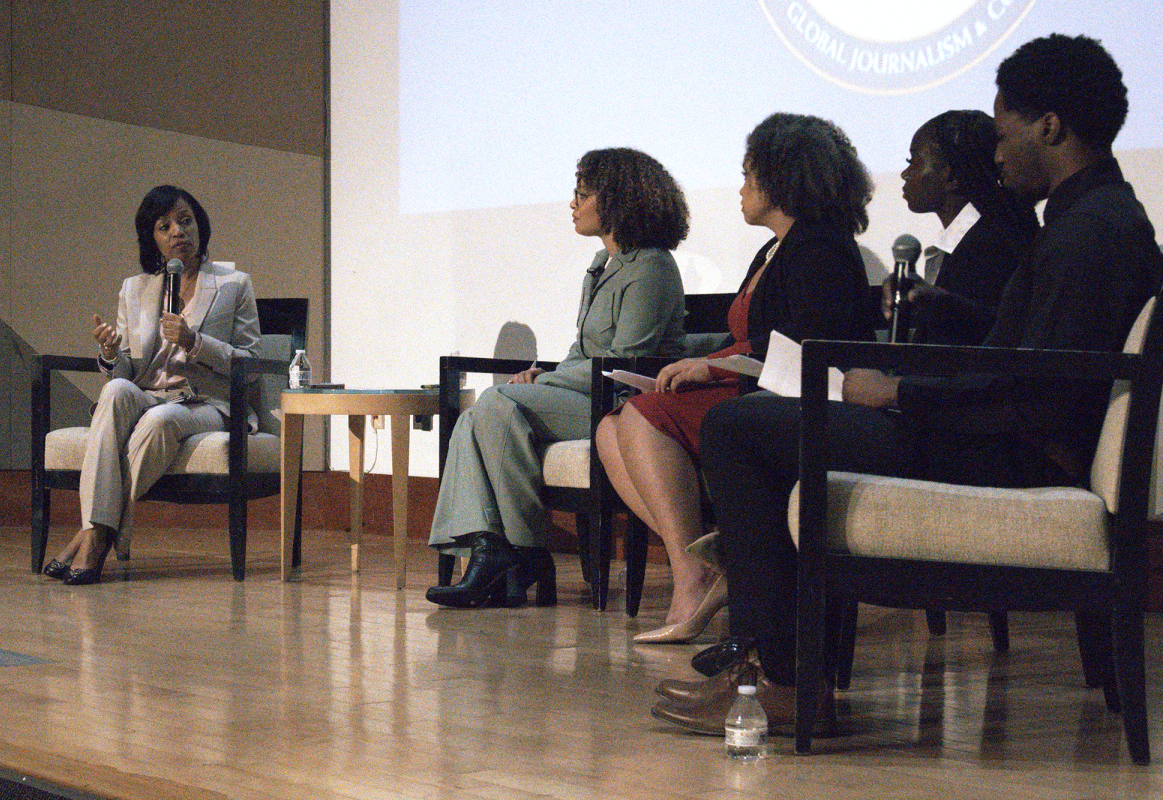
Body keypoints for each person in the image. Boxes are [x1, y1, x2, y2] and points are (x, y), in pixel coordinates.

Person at [652, 33, 1163, 735]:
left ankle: (778, 681)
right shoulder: (1093, 217)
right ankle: (773, 667)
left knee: (738, 428)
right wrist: (936, 334)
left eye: (1004, 129)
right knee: (767, 420)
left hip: (1013, 457)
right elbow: (1025, 353)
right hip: (1004, 438)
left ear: (1050, 125)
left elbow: (1037, 393)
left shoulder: (1088, 233)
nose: (996, 150)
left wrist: (895, 393)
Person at [595, 114, 874, 642]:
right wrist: (704, 362)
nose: (741, 189)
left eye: (749, 175)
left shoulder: (820, 246)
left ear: (781, 178)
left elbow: (809, 342)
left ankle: (701, 577)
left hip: (790, 396)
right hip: (753, 383)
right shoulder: (773, 248)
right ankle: (706, 567)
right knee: (610, 428)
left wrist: (712, 365)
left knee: (640, 417)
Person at [426, 148, 690, 609]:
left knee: (493, 404)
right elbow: (581, 353)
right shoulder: (600, 267)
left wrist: (546, 385)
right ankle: (499, 552)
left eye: (582, 194)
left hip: (619, 402)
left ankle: (518, 554)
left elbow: (622, 361)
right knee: (479, 415)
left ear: (617, 202)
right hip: (583, 391)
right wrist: (542, 374)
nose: (574, 204)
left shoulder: (652, 268)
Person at [43, 186, 262, 586]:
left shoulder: (234, 284)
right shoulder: (135, 288)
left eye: (186, 220)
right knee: (112, 391)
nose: (178, 231)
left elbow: (250, 365)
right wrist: (111, 354)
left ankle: (94, 534)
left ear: (200, 225)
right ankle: (99, 529)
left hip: (206, 403)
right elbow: (125, 371)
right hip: (148, 394)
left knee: (160, 419)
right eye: (165, 226)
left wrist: (196, 341)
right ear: (153, 239)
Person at [891, 109, 1039, 346]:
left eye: (914, 162)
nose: (905, 174)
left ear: (952, 177)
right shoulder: (985, 235)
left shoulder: (985, 248)